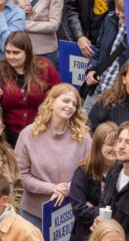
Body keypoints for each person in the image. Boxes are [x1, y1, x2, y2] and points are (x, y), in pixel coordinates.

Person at [14, 83, 91, 228]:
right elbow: (21, 175)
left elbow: (90, 173)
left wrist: (68, 188)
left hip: (70, 213)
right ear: (51, 101)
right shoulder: (28, 134)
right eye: (65, 101)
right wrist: (52, 188)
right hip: (33, 213)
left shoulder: (84, 137)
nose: (70, 106)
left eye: (74, 104)